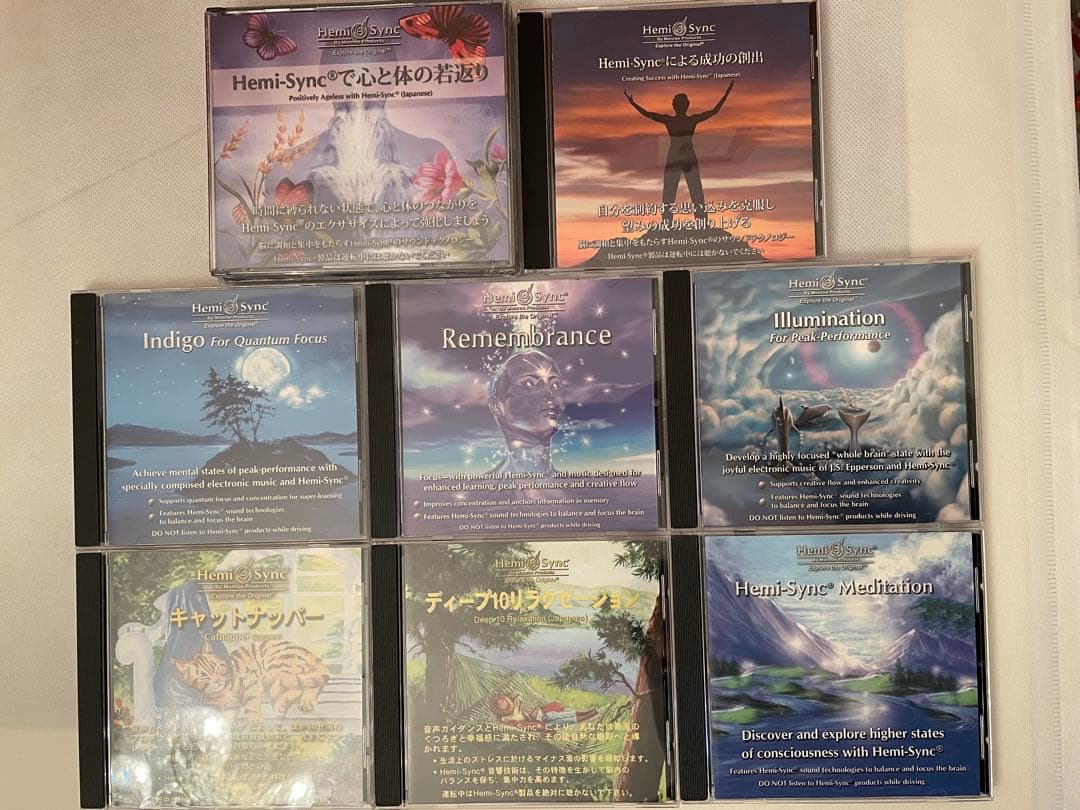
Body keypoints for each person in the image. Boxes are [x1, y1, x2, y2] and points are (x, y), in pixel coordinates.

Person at [624, 81, 736, 223]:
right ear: (677, 106)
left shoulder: (683, 120)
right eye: (679, 104)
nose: (681, 107)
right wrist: (633, 103)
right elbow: (648, 114)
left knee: (692, 191)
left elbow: (714, 111)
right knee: (674, 192)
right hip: (677, 158)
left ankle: (698, 222)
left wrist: (727, 92)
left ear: (684, 106)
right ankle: (670, 222)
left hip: (684, 158)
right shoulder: (677, 120)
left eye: (682, 104)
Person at [487, 350, 565, 474]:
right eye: (528, 383)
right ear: (496, 405)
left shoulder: (579, 485)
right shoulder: (485, 485)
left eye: (555, 385)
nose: (549, 392)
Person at [489, 692, 599, 731]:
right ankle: (592, 714)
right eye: (502, 705)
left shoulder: (515, 706)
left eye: (504, 701)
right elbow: (526, 725)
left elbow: (517, 696)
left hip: (543, 716)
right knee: (568, 719)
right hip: (544, 723)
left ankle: (590, 712)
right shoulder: (507, 719)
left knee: (566, 715)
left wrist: (514, 697)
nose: (505, 704)